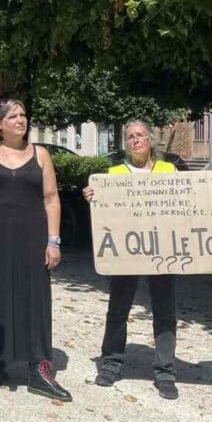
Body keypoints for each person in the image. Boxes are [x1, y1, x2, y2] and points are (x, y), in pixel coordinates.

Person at [0, 98, 71, 402]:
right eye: (13, 116)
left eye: (23, 114)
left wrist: (53, 240)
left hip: (31, 238)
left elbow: (51, 199)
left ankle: (39, 369)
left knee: (33, 298)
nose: (21, 120)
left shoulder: (41, 154)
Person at [82, 119, 180, 399]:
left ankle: (165, 372)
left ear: (150, 140)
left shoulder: (168, 170)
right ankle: (111, 364)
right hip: (127, 251)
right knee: (118, 309)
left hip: (162, 249)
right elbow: (106, 209)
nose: (135, 140)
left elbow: (192, 200)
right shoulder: (114, 173)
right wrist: (92, 195)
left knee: (165, 311)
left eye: (140, 135)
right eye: (130, 137)